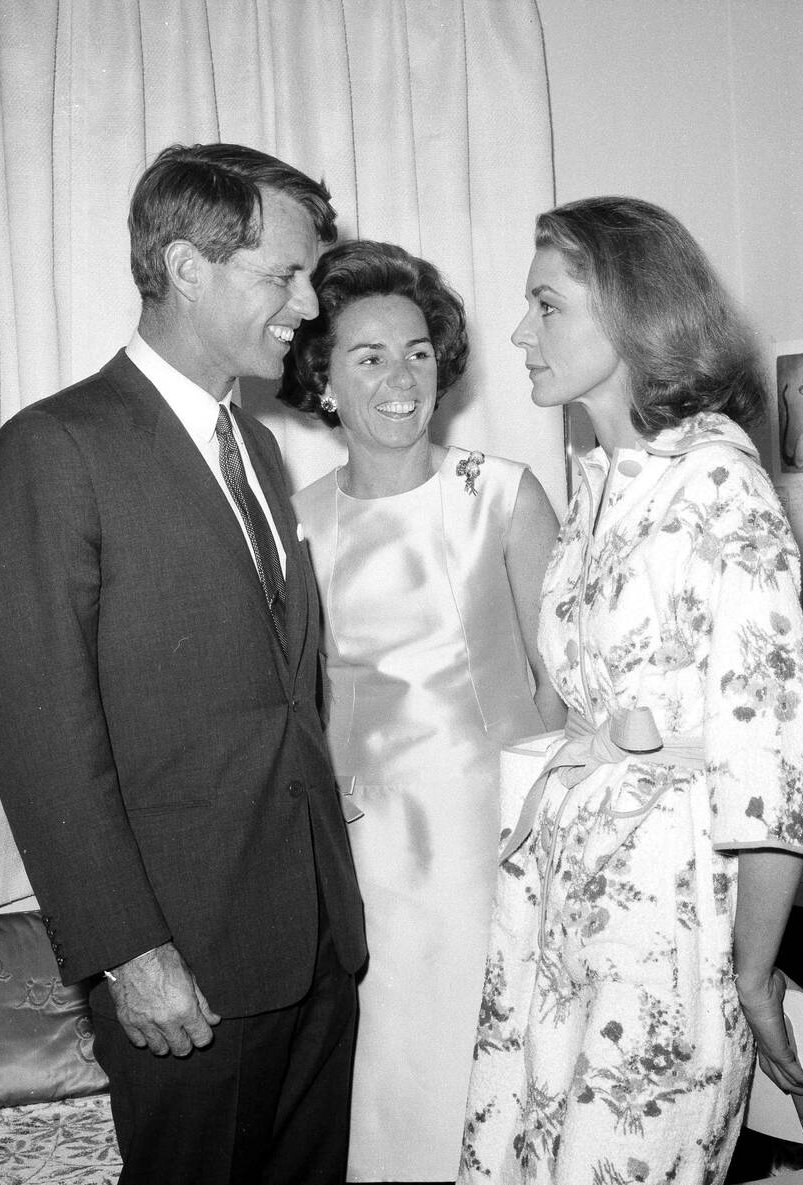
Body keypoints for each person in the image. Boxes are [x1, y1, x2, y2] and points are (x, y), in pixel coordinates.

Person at [0, 143, 367, 1185]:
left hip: (315, 941)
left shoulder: (264, 449)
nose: (310, 303)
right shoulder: (54, 449)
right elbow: (40, 735)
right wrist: (129, 952)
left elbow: (284, 693)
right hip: (184, 961)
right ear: (189, 268)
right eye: (285, 275)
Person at [460, 197, 803, 1185]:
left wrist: (752, 969)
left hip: (668, 925)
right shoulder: (599, 484)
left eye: (547, 305)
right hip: (564, 904)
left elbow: (776, 758)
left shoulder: (719, 486)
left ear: (629, 316)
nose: (518, 332)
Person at [277, 239, 564, 1183]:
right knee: (395, 1087)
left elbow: (570, 681)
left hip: (504, 835)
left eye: (417, 351)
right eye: (367, 356)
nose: (400, 377)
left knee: (504, 1081)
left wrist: (546, 809)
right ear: (323, 379)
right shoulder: (297, 523)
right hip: (374, 853)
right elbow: (295, 707)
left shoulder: (506, 496)